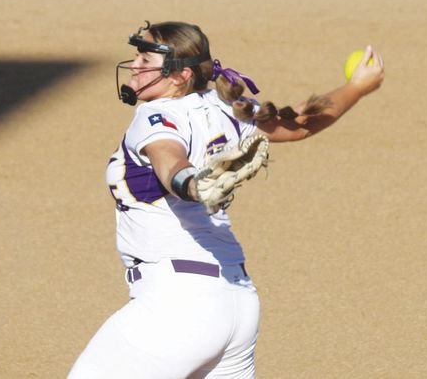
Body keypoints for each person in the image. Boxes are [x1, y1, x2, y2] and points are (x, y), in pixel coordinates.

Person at [67, 21, 384, 379]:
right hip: (237, 304)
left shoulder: (154, 117)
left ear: (179, 75)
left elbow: (169, 160)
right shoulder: (225, 106)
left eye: (145, 58)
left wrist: (194, 184)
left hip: (177, 306)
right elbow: (298, 124)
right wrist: (357, 87)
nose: (135, 65)